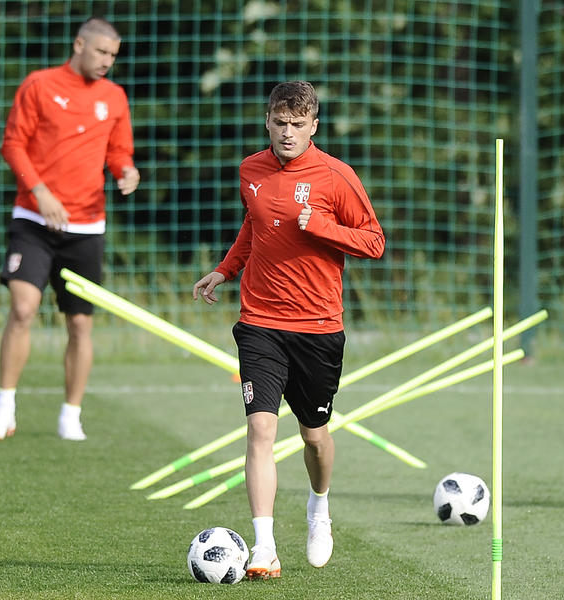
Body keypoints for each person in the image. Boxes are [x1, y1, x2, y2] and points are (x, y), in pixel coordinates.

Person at [193, 80, 385, 578]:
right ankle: (264, 548)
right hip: (259, 321)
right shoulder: (250, 170)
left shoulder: (336, 176)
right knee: (260, 428)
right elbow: (254, 227)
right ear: (267, 121)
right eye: (280, 122)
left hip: (318, 327)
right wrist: (225, 269)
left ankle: (319, 508)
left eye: (298, 124)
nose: (287, 132)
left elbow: (374, 241)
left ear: (313, 126)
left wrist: (320, 226)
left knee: (314, 436)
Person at [0, 17, 139, 441]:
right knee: (23, 308)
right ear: (79, 44)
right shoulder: (39, 85)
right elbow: (12, 144)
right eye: (101, 52)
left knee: (79, 324)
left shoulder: (114, 97)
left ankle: (70, 415)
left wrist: (126, 170)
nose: (107, 61)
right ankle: (4, 406)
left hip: (87, 226)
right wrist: (41, 193)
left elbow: (119, 150)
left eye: (113, 55)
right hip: (34, 219)